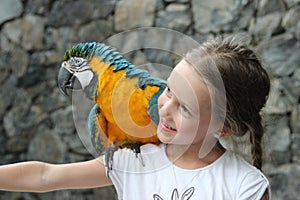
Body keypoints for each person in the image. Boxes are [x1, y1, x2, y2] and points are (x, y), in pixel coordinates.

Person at [0, 36, 271, 200]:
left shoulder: (245, 187)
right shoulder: (134, 159)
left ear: (222, 128)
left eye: (185, 109)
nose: (164, 108)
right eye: (168, 90)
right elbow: (46, 176)